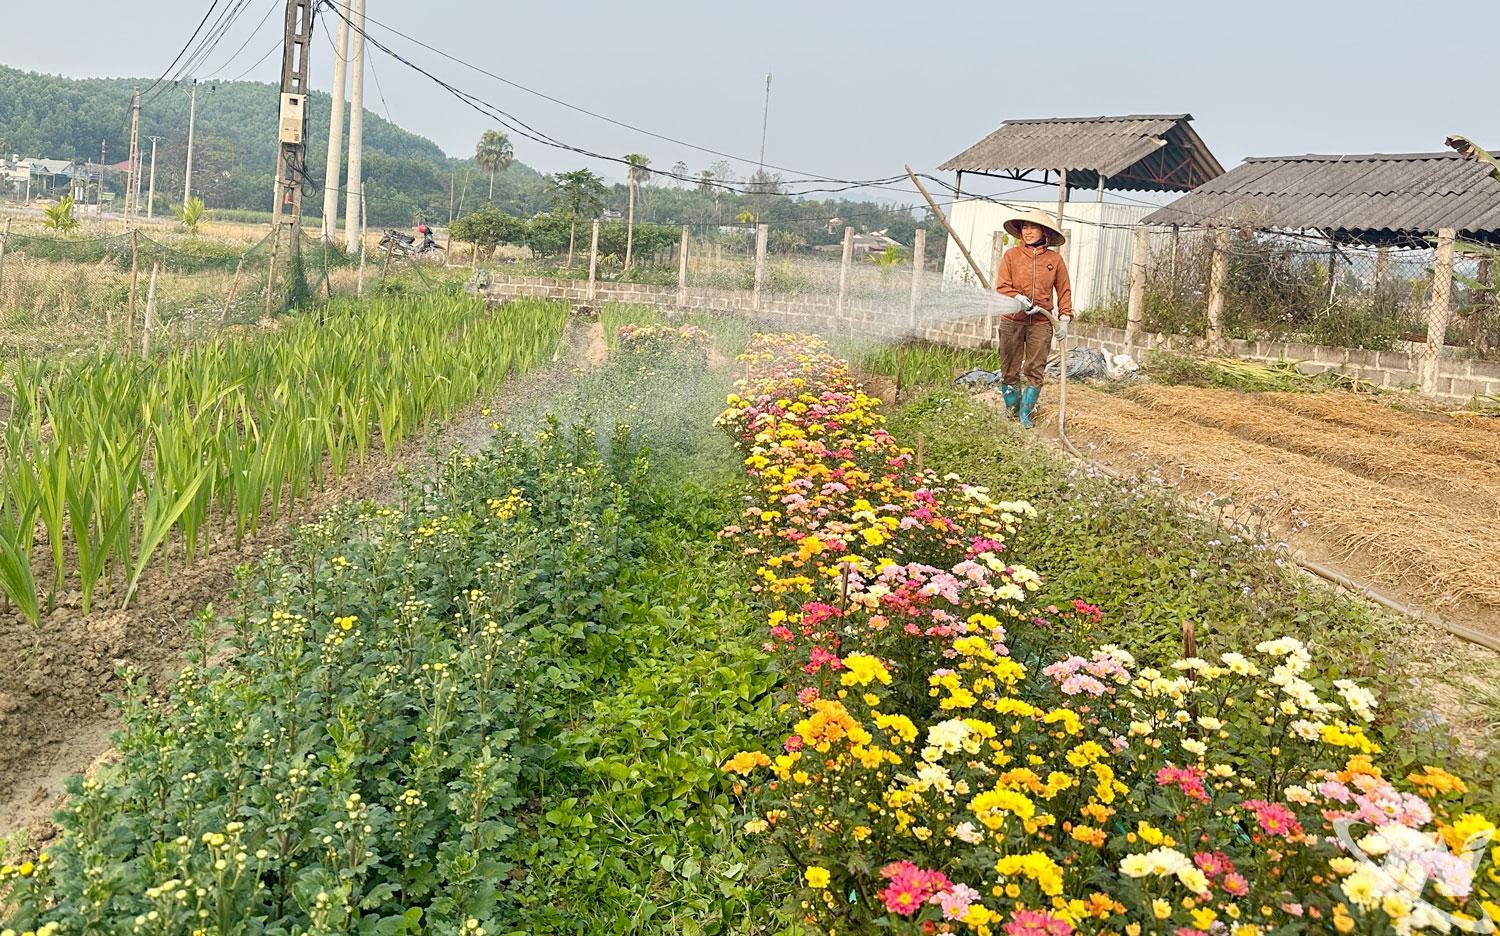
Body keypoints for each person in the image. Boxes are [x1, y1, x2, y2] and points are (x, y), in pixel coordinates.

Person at [994, 209, 1073, 428]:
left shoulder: (1054, 260)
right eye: (1024, 227)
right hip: (1012, 320)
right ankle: (1011, 409)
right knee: (1009, 368)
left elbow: (1064, 290)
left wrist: (1064, 318)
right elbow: (1002, 286)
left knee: (1035, 369)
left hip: (1041, 323)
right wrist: (1018, 297)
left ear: (1044, 231)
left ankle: (1025, 413)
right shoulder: (1011, 256)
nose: (1028, 232)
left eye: (1033, 227)